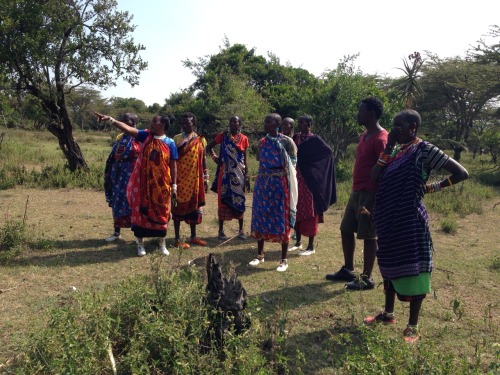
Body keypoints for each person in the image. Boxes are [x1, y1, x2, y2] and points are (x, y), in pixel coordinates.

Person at [364, 109, 468, 343]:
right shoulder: (395, 151)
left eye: (398, 126)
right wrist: (389, 146)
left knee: (415, 268)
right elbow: (374, 176)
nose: (393, 130)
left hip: (410, 219)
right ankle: (388, 314)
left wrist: (432, 188)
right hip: (389, 219)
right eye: (392, 126)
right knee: (389, 264)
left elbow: (461, 173)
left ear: (413, 127)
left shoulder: (426, 150)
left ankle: (412, 326)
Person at [325, 97, 387, 290]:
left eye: (361, 111)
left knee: (369, 236)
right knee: (346, 229)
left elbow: (385, 168)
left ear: (372, 113)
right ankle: (349, 269)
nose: (358, 114)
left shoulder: (381, 138)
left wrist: (378, 199)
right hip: (357, 191)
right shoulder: (364, 135)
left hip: (371, 193)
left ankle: (367, 278)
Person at [95, 112, 178, 257]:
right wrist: (111, 119)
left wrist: (175, 185)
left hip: (161, 186)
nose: (151, 124)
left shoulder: (170, 143)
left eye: (154, 121)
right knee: (140, 213)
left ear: (162, 125)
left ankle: (161, 243)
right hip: (142, 185)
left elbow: (173, 166)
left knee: (162, 213)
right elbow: (127, 129)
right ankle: (140, 245)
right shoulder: (146, 136)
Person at [249, 113, 297, 272]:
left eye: (268, 122)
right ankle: (259, 255)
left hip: (280, 183)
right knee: (260, 216)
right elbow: (260, 161)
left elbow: (293, 162)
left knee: (281, 218)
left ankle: (284, 259)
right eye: (265, 121)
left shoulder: (286, 141)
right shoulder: (262, 142)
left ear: (277, 124)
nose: (265, 124)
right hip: (263, 183)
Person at [288, 115, 336, 255]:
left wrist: (316, 171)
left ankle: (311, 246)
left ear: (309, 124)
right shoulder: (296, 138)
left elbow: (328, 153)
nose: (299, 125)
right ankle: (298, 242)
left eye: (302, 123)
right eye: (299, 122)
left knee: (310, 211)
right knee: (296, 208)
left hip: (310, 182)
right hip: (297, 180)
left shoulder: (314, 140)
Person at [206, 116, 250, 241]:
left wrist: (246, 176)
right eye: (230, 121)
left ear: (239, 124)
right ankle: (221, 230)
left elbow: (245, 159)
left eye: (235, 121)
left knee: (239, 200)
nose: (232, 123)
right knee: (222, 201)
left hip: (239, 174)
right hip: (224, 174)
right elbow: (209, 147)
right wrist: (216, 159)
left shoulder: (244, 139)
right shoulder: (223, 136)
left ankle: (241, 231)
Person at [171, 112, 208, 249]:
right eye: (183, 123)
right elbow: (172, 158)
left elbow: (203, 158)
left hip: (195, 179)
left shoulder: (200, 139)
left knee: (194, 206)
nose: (186, 125)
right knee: (176, 207)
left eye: (189, 123)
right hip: (179, 179)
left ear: (194, 124)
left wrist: (206, 176)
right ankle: (177, 238)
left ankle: (193, 236)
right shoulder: (176, 138)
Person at [103, 113, 140, 242]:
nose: (124, 122)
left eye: (127, 121)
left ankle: (138, 235)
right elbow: (113, 156)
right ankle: (116, 232)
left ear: (134, 124)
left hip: (134, 177)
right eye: (122, 120)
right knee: (117, 202)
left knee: (134, 204)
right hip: (118, 176)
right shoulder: (120, 138)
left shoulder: (140, 138)